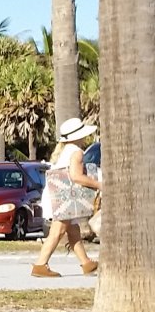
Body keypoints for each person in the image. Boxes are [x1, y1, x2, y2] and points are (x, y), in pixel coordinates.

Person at [31, 117, 100, 277]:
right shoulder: (76, 152)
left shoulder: (65, 150)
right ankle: (40, 264)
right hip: (64, 199)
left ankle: (86, 263)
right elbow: (76, 177)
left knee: (73, 230)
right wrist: (98, 185)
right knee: (58, 231)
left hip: (57, 195)